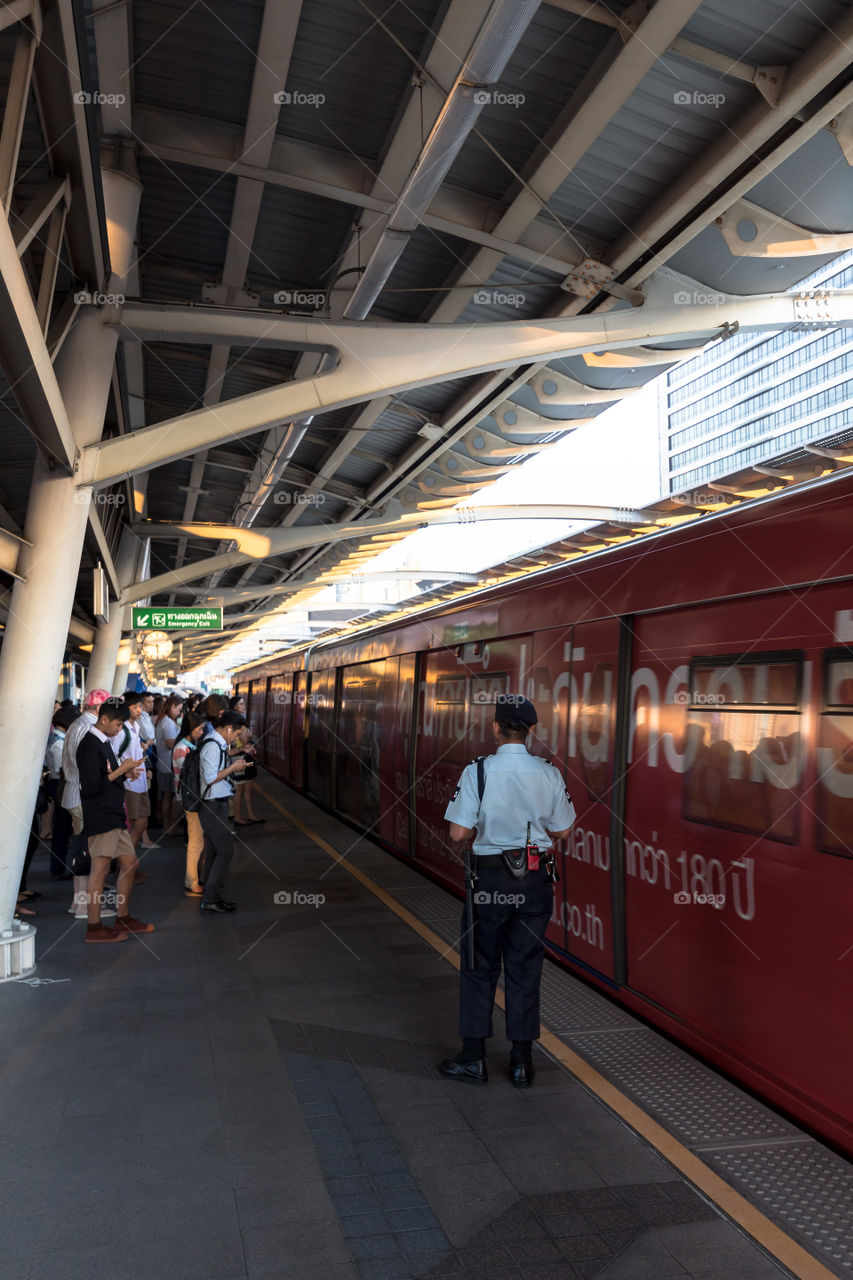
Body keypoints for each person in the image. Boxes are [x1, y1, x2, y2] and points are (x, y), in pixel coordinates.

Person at [440, 695, 575, 1088]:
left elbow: (458, 833)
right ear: (532, 731)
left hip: (490, 883)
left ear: (496, 728)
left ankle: (473, 1058)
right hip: (534, 881)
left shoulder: (477, 771)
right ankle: (521, 1063)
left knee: (479, 966)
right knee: (525, 968)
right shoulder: (549, 773)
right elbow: (563, 829)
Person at [76, 697, 154, 943]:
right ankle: (94, 926)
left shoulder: (103, 741)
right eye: (118, 725)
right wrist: (120, 771)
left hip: (113, 813)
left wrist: (125, 773)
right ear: (105, 719)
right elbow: (91, 786)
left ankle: (123, 917)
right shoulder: (89, 745)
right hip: (100, 814)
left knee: (129, 864)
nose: (120, 730)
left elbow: (107, 774)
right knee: (99, 869)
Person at [61, 688, 111, 920]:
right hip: (82, 795)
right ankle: (83, 907)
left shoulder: (76, 725)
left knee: (81, 847)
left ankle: (77, 902)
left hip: (74, 793)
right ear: (99, 709)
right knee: (86, 851)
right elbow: (90, 769)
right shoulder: (88, 730)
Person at [197, 709, 248, 914]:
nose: (237, 738)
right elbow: (210, 778)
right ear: (228, 729)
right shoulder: (212, 746)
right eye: (237, 734)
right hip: (212, 805)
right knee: (226, 850)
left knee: (213, 849)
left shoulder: (216, 744)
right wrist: (233, 768)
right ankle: (210, 897)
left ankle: (210, 891)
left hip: (215, 803)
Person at [111, 692, 152, 865]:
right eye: (134, 707)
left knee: (141, 821)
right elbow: (113, 756)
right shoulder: (122, 731)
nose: (139, 710)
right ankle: (127, 864)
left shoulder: (134, 729)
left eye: (140, 706)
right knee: (134, 822)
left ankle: (129, 862)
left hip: (139, 779)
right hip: (129, 782)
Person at [171, 712, 207, 896]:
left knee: (198, 840)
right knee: (195, 841)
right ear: (190, 729)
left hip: (193, 798)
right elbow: (190, 777)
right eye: (199, 729)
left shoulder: (188, 746)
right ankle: (191, 882)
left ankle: (196, 877)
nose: (201, 733)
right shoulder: (181, 749)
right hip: (191, 799)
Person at [46, 706, 79, 880]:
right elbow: (64, 770)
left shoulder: (54, 737)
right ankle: (58, 869)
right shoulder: (59, 743)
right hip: (61, 785)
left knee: (61, 828)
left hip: (57, 784)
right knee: (63, 829)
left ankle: (58, 867)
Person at [229, 693, 263, 825]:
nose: (244, 706)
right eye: (241, 704)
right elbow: (244, 739)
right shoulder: (236, 720)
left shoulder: (239, 719)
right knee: (240, 789)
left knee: (248, 787)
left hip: (246, 755)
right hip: (239, 756)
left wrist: (247, 734)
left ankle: (251, 814)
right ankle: (238, 816)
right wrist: (248, 734)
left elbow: (246, 735)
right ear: (235, 707)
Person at [154, 693, 183, 834]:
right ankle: (170, 827)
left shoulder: (163, 720)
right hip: (168, 764)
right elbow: (170, 743)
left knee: (167, 795)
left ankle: (168, 826)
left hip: (163, 763)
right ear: (172, 706)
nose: (178, 713)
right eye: (178, 709)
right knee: (170, 795)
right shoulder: (168, 722)